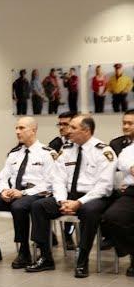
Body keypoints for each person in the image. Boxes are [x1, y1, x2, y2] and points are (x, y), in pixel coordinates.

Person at [26, 115, 116, 277]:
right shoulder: (66, 150)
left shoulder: (103, 151)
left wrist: (79, 203)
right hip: (67, 197)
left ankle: (82, 261)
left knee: (90, 211)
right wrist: (61, 200)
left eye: (73, 128)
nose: (68, 131)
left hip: (93, 197)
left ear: (86, 130)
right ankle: (46, 257)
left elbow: (105, 187)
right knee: (38, 206)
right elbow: (57, 178)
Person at [0, 117, 56, 268]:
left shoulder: (47, 153)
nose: (17, 131)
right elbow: (3, 176)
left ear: (33, 130)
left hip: (34, 195)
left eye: (22, 128)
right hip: (13, 194)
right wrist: (3, 190)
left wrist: (23, 192)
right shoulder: (14, 153)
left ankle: (24, 251)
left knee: (19, 206)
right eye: (16, 128)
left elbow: (49, 184)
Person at [100, 140, 134, 277]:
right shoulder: (129, 149)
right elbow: (122, 162)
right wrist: (131, 167)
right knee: (113, 216)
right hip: (132, 192)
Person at [101, 109, 134, 250]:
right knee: (112, 216)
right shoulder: (121, 146)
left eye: (130, 123)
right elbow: (118, 164)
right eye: (124, 123)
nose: (125, 126)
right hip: (128, 190)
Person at [48, 111, 78, 250]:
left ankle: (68, 235)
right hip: (57, 185)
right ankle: (48, 234)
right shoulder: (54, 144)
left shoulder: (80, 144)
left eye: (65, 124)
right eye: (59, 124)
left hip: (74, 186)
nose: (61, 127)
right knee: (38, 201)